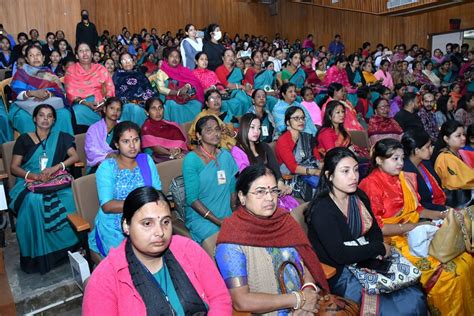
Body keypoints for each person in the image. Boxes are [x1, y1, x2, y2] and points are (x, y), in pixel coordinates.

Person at [306, 147, 427, 315]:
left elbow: (374, 231)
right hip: (342, 272)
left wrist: (376, 252)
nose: (353, 176)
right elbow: (339, 254)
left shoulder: (359, 196)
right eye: (345, 171)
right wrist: (377, 249)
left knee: (414, 295)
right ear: (329, 175)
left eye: (356, 170)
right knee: (394, 309)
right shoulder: (322, 210)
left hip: (367, 258)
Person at [359, 138, 474, 315]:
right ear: (379, 160)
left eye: (402, 158)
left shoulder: (404, 178)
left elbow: (418, 209)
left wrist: (444, 214)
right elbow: (379, 228)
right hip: (391, 240)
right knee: (449, 274)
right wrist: (413, 227)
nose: (400, 163)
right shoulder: (370, 184)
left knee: (465, 260)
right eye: (394, 159)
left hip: (414, 229)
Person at [83, 186, 232, 315]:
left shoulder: (188, 250)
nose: (160, 232)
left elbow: (219, 298)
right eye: (147, 223)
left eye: (165, 222)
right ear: (126, 226)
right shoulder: (106, 279)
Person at [215, 164, 329, 315]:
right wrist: (297, 299)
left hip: (306, 305)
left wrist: (308, 289)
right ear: (242, 197)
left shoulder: (284, 221)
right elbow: (241, 301)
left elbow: (307, 259)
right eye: (260, 192)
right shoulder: (232, 238)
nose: (269, 198)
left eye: (273, 191)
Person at [9, 104, 79, 273]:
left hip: (55, 179)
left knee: (70, 196)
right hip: (29, 182)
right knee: (34, 201)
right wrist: (34, 176)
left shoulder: (61, 137)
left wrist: (56, 168)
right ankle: (40, 254)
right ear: (34, 118)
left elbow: (75, 156)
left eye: (49, 116)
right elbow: (14, 167)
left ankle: (70, 247)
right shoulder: (24, 139)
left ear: (54, 120)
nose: (45, 119)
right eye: (41, 115)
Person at [88, 121, 162, 258]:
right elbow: (107, 206)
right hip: (114, 225)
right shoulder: (107, 167)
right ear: (117, 144)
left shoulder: (146, 160)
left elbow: (156, 193)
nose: (132, 146)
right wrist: (141, 204)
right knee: (132, 262)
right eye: (126, 141)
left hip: (146, 218)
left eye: (136, 140)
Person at [182, 115, 238, 255]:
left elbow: (232, 188)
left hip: (226, 212)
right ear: (199, 136)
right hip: (202, 217)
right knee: (225, 244)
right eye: (209, 130)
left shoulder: (225, 155)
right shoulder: (191, 160)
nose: (215, 133)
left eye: (217, 129)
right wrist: (218, 221)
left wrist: (235, 213)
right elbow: (192, 200)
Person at [231, 113, 294, 205]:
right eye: (252, 127)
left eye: (259, 128)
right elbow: (247, 177)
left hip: (270, 188)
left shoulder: (263, 146)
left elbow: (274, 167)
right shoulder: (237, 151)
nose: (256, 131)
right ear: (244, 128)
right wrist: (272, 189)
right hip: (254, 194)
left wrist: (280, 183)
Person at [9, 45, 73, 136]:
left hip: (50, 104)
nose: (35, 57)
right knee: (23, 118)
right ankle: (35, 148)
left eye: (38, 54)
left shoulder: (50, 74)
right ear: (27, 59)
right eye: (31, 55)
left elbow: (60, 93)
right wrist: (32, 93)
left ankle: (62, 146)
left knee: (64, 114)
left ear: (43, 58)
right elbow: (16, 94)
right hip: (25, 106)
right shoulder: (21, 73)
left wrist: (49, 94)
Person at [64, 42, 115, 133]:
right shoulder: (71, 71)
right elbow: (70, 92)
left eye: (87, 50)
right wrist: (87, 104)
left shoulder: (100, 68)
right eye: (81, 51)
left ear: (91, 54)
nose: (85, 53)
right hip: (82, 104)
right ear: (76, 56)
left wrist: (104, 102)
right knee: (78, 112)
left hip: (103, 103)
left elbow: (110, 87)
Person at [276, 106, 321, 201]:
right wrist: (315, 172)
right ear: (288, 122)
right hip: (291, 178)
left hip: (310, 173)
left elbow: (317, 160)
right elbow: (293, 168)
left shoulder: (307, 138)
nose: (301, 121)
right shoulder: (283, 141)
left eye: (302, 118)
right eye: (296, 118)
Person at [152, 47, 203, 124]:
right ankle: (180, 129)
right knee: (172, 105)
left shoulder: (184, 70)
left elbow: (194, 82)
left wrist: (187, 86)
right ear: (167, 59)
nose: (175, 59)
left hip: (185, 97)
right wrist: (178, 93)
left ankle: (193, 129)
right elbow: (161, 89)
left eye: (177, 57)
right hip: (169, 98)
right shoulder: (161, 72)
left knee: (197, 104)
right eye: (172, 56)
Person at [402, 129, 446, 211]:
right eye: (428, 147)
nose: (432, 149)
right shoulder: (406, 171)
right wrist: (443, 209)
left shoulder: (425, 163)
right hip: (425, 213)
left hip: (438, 206)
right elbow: (418, 204)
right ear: (416, 150)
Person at [433, 120, 474, 208]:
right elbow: (457, 183)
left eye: (464, 134)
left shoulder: (461, 153)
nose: (463, 138)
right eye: (458, 136)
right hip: (457, 201)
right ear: (446, 139)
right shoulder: (444, 158)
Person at [112, 52, 156, 126]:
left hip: (143, 105)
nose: (127, 63)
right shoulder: (117, 76)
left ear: (133, 62)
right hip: (125, 106)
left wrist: (148, 106)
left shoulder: (140, 75)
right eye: (124, 61)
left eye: (129, 60)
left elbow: (149, 91)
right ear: (120, 65)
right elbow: (117, 94)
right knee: (132, 108)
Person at [141, 97, 188, 163]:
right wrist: (171, 154)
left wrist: (178, 149)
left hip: (177, 152)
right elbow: (156, 148)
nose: (158, 111)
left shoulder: (170, 125)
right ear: (147, 112)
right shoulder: (146, 128)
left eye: (160, 108)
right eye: (153, 108)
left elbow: (180, 141)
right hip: (160, 157)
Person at [84, 97, 122, 174]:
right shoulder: (94, 129)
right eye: (112, 108)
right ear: (104, 109)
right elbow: (90, 150)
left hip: (120, 163)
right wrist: (107, 156)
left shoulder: (123, 128)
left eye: (118, 109)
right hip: (98, 166)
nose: (115, 112)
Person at [215, 49, 253, 116]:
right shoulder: (219, 69)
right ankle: (245, 120)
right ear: (223, 58)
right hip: (229, 92)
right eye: (228, 55)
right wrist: (241, 86)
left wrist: (247, 85)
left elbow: (243, 81)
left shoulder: (237, 70)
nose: (231, 57)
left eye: (232, 56)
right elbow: (226, 84)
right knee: (244, 101)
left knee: (250, 99)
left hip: (242, 91)